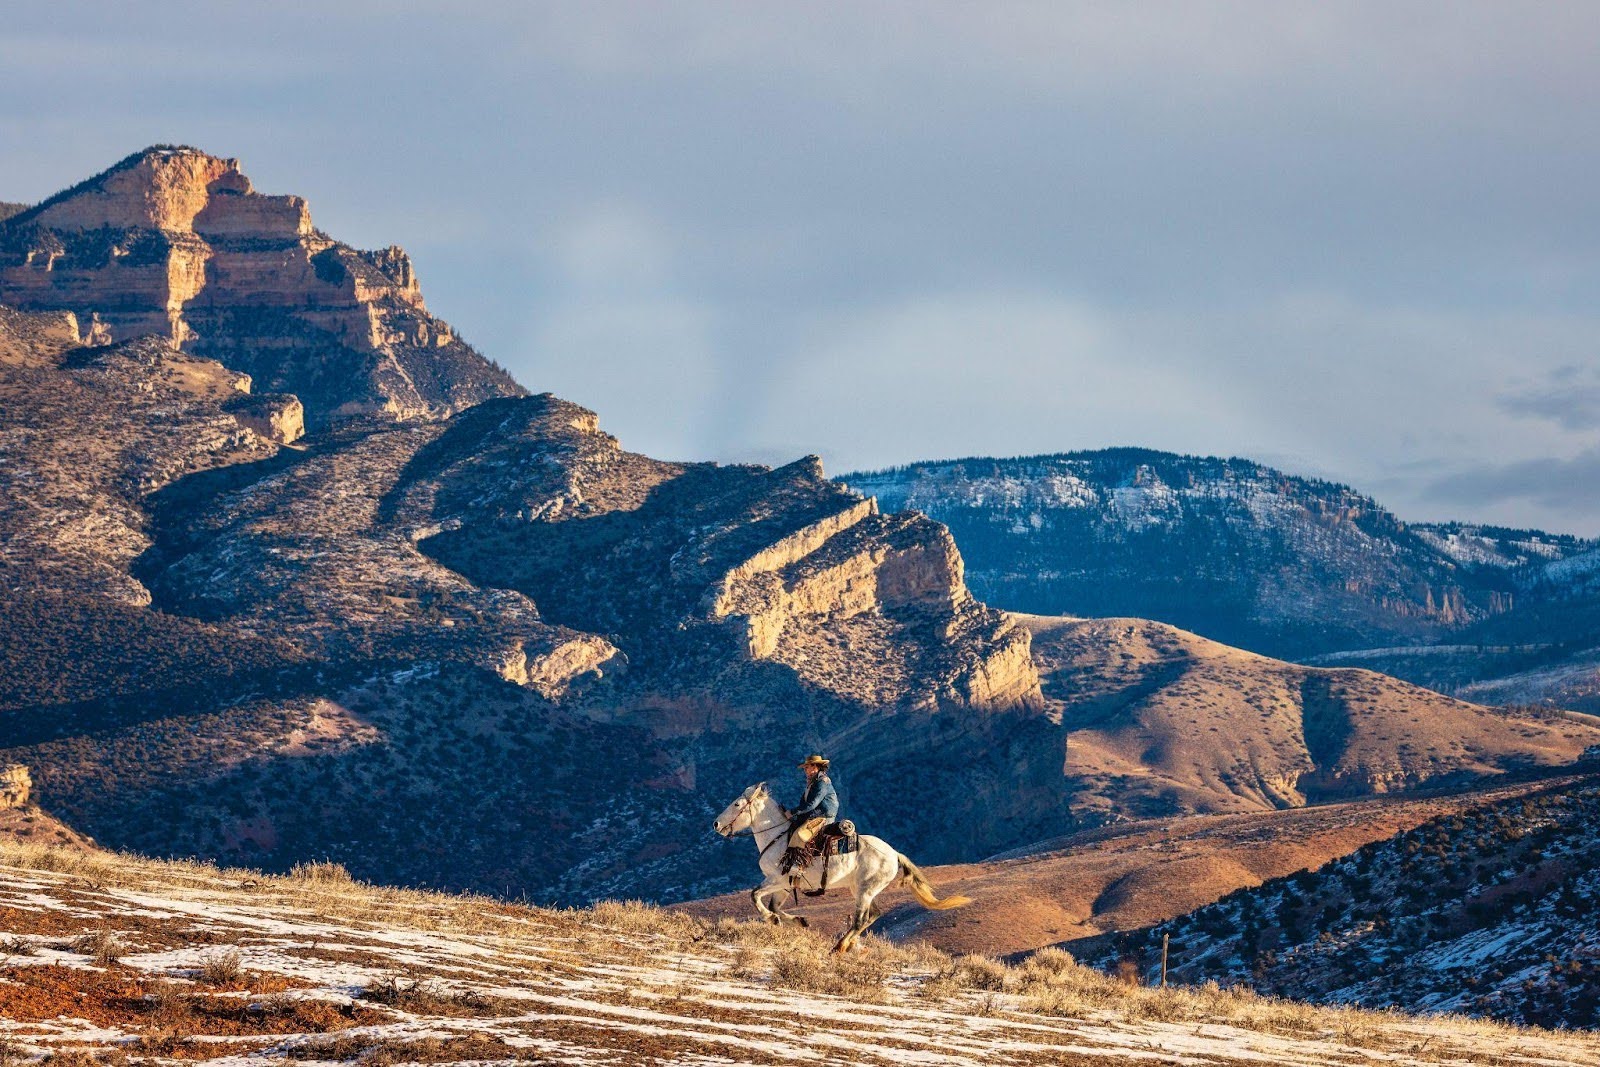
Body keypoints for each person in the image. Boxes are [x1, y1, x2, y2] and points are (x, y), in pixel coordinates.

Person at [781, 754, 839, 873]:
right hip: (816, 813)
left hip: (823, 815)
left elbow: (812, 804)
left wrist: (792, 812)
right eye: (805, 768)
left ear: (815, 767)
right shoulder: (814, 781)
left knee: (799, 833)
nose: (805, 770)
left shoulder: (821, 782)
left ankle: (798, 864)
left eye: (807, 767)